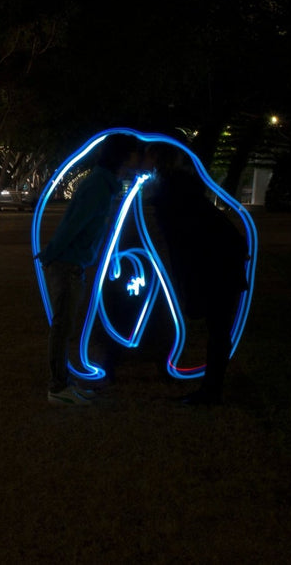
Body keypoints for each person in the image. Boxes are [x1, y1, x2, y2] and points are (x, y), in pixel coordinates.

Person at [37, 133, 141, 406]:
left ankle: (64, 384)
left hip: (73, 263)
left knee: (65, 326)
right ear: (122, 156)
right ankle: (58, 388)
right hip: (67, 264)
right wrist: (51, 254)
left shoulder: (105, 184)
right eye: (133, 154)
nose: (137, 159)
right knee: (62, 328)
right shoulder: (98, 186)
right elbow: (74, 224)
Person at [142, 141, 249, 405]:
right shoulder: (179, 187)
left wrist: (186, 281)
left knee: (218, 328)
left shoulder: (171, 193)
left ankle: (211, 392)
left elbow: (184, 239)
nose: (141, 162)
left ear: (155, 160)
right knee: (218, 328)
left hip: (215, 263)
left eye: (146, 157)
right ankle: (211, 389)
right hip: (220, 260)